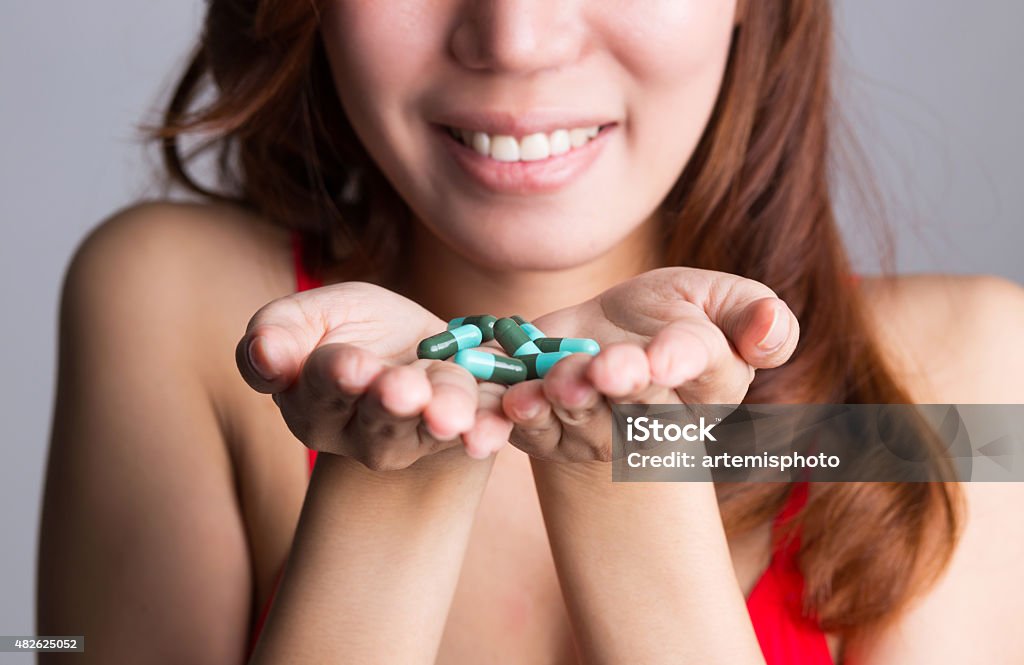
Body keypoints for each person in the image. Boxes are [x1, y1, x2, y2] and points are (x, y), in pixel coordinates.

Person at [38, 1, 1024, 663]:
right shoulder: (179, 308)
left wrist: (629, 463)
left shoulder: (956, 382)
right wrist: (388, 473)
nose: (514, 38)